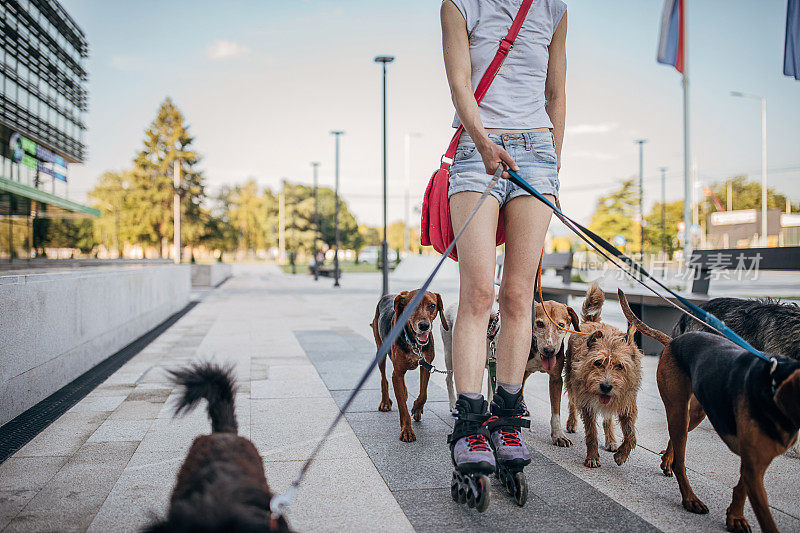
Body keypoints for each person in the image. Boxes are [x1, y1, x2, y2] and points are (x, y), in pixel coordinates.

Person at [441, 0, 567, 507]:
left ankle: (509, 418)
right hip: (477, 148)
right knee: (478, 294)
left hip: (537, 153)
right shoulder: (458, 3)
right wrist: (484, 140)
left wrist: (554, 161)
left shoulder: (554, 7)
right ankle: (471, 423)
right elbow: (459, 83)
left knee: (519, 297)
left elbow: (556, 91)